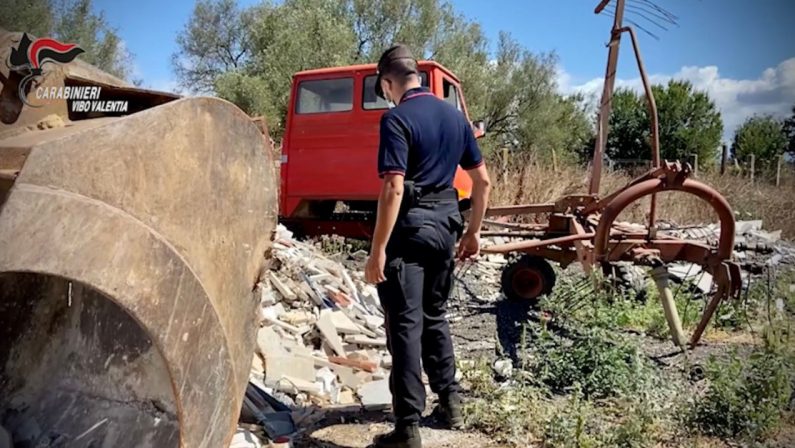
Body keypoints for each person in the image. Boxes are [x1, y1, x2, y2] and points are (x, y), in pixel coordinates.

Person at [364, 44, 491, 448]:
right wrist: (473, 232)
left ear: (388, 82)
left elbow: (394, 186)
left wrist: (377, 249)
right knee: (434, 315)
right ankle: (450, 402)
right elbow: (483, 182)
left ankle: (407, 427)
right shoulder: (456, 119)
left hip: (411, 230)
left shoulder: (396, 119)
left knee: (404, 325)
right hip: (447, 227)